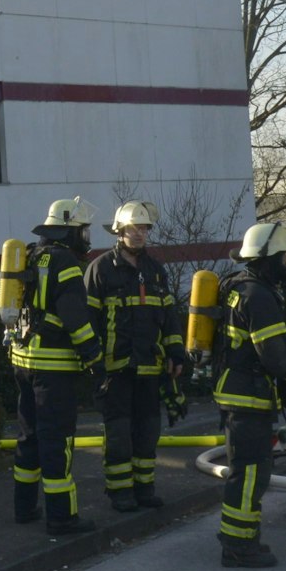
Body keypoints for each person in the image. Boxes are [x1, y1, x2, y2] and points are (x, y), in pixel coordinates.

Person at [208, 221, 286, 568]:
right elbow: (275, 355)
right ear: (267, 259)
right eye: (284, 257)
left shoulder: (242, 287)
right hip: (247, 397)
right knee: (249, 474)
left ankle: (240, 540)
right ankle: (239, 546)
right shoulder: (258, 296)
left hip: (240, 393)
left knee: (248, 472)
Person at [84, 201, 187, 513]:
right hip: (115, 370)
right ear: (120, 231)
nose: (140, 233)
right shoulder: (101, 268)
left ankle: (145, 489)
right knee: (119, 435)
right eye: (134, 228)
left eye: (144, 228)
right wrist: (93, 362)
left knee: (147, 432)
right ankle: (120, 493)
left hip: (150, 368)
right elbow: (88, 321)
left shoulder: (154, 271)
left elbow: (169, 318)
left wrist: (176, 352)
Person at [10, 197, 101, 535]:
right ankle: (62, 517)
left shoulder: (32, 254)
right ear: (68, 230)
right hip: (54, 368)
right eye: (83, 231)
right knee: (56, 442)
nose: (86, 238)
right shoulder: (66, 263)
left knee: (28, 437)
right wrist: (94, 358)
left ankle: (24, 508)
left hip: (23, 361)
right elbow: (75, 319)